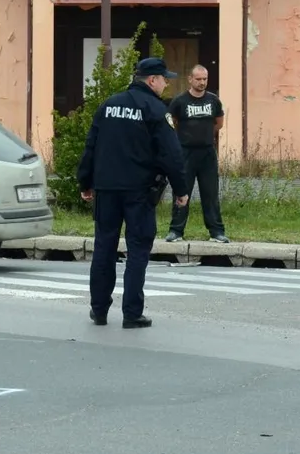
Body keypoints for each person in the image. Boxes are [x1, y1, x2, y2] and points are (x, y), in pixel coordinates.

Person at [77, 56, 189, 329]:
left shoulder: (108, 105)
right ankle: (132, 312)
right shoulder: (154, 109)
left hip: (106, 189)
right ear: (152, 80)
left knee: (104, 246)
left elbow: (91, 145)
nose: (165, 84)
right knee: (138, 249)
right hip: (139, 191)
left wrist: (85, 182)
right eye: (164, 79)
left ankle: (99, 309)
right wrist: (181, 189)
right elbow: (171, 153)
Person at [165, 64, 228, 244]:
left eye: (205, 79)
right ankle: (176, 231)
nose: (202, 82)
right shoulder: (179, 101)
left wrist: (204, 135)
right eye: (198, 79)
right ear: (190, 79)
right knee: (182, 192)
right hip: (185, 152)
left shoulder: (213, 100)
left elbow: (219, 123)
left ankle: (216, 231)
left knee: (210, 193)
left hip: (207, 153)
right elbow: (172, 123)